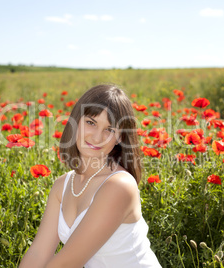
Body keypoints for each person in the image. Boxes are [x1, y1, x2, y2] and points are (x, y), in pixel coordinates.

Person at [19, 84, 162, 268]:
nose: (96, 137)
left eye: (109, 130)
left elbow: (67, 263)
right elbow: (38, 253)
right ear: (75, 121)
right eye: (91, 123)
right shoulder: (62, 185)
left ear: (120, 137)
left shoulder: (119, 185)